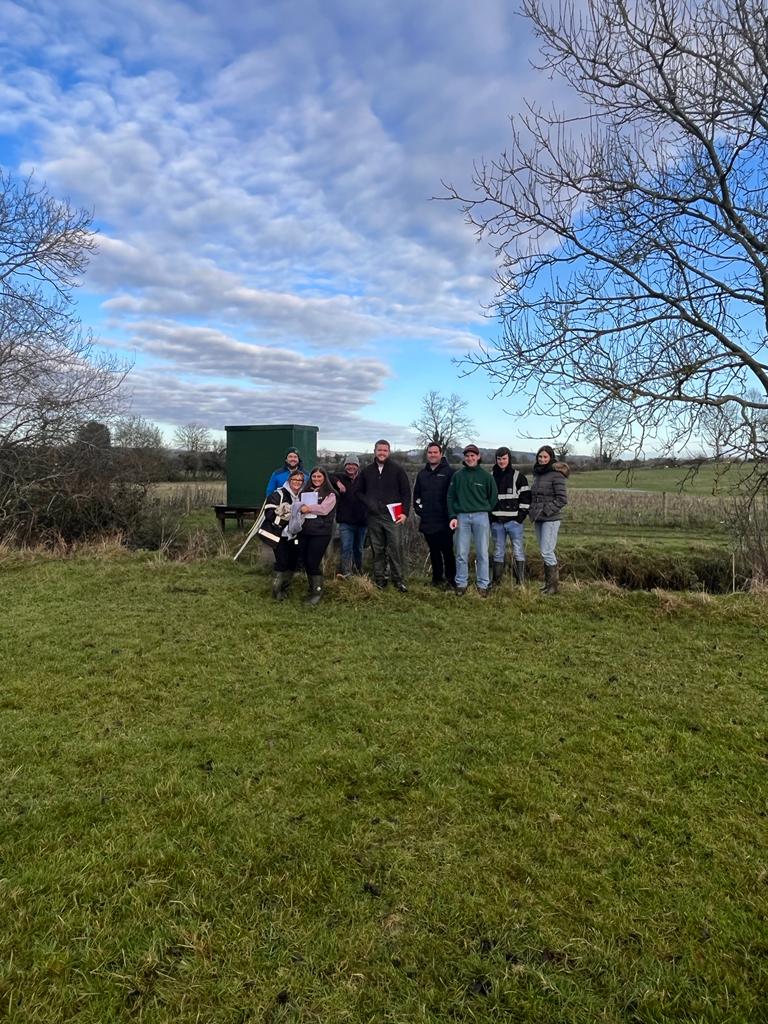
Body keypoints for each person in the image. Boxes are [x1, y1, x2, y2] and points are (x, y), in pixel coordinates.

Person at [357, 439, 411, 592]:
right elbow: (358, 492)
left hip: (393, 516)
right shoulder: (367, 471)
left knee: (395, 548)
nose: (382, 453)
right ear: (374, 451)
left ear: (389, 452)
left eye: (385, 450)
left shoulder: (397, 470)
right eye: (379, 450)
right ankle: (380, 579)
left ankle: (398, 580)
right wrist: (369, 503)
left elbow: (406, 493)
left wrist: (405, 513)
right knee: (377, 549)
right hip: (374, 516)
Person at [447, 444, 498, 596]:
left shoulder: (486, 476)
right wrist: (453, 516)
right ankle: (461, 583)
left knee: (482, 552)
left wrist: (485, 508)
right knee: (461, 552)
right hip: (462, 517)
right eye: (467, 456)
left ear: (478, 457)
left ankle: (483, 584)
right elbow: (450, 497)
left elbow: (493, 496)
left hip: (481, 517)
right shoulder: (458, 476)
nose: (470, 458)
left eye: (472, 456)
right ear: (464, 458)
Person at [413, 442, 455, 588]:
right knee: (434, 551)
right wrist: (421, 511)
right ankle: (437, 579)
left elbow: (453, 495)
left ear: (440, 454)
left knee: (447, 551)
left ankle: (451, 580)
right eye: (430, 452)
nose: (432, 455)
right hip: (428, 520)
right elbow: (417, 496)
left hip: (445, 520)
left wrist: (452, 515)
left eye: (435, 452)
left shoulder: (449, 473)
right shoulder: (422, 474)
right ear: (427, 454)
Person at [260, 468, 305, 601]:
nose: (297, 482)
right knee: (282, 562)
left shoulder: (303, 496)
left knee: (293, 562)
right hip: (280, 535)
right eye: (294, 479)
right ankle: (276, 591)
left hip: (295, 536)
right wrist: (282, 515)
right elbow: (268, 513)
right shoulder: (278, 494)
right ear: (289, 480)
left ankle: (286, 588)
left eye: (300, 480)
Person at [530, 445, 569, 595]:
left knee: (547, 551)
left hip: (550, 518)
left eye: (545, 457)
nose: (542, 459)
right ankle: (548, 585)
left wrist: (546, 511)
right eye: (540, 457)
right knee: (544, 551)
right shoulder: (537, 474)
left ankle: (553, 586)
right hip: (538, 517)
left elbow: (562, 499)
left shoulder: (556, 475)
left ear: (551, 458)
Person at [296, 466, 338, 606]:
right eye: (314, 476)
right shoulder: (305, 491)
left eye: (319, 476)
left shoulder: (330, 494)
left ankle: (317, 592)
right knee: (306, 561)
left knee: (313, 561)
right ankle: (312, 587)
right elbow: (298, 506)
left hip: (321, 532)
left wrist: (308, 508)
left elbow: (324, 509)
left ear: (324, 478)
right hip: (304, 531)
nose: (316, 479)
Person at [490, 446, 531, 586]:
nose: (501, 461)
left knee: (518, 551)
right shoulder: (490, 476)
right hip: (497, 522)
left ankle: (520, 582)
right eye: (499, 459)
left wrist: (520, 518)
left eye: (504, 459)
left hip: (514, 522)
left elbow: (526, 499)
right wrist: (491, 517)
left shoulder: (519, 477)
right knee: (498, 552)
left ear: (509, 459)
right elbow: (486, 498)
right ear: (496, 460)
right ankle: (496, 582)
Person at [331, 455, 368, 577]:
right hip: (346, 522)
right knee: (346, 548)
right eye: (348, 464)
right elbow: (327, 476)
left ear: (358, 466)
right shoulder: (340, 478)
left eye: (353, 464)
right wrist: (338, 483)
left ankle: (358, 571)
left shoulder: (364, 479)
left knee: (359, 549)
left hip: (362, 522)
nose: (351, 467)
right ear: (345, 466)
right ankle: (346, 572)